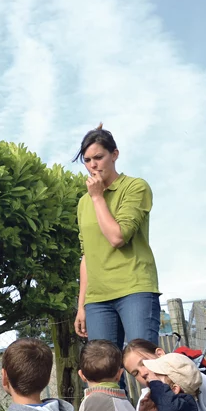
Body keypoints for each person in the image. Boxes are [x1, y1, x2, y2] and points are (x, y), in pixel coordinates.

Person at [72, 124, 160, 396]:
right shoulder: (83, 203)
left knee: (147, 367)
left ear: (115, 154)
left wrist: (98, 197)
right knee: (102, 377)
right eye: (87, 160)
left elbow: (117, 237)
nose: (92, 165)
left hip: (134, 288)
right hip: (98, 299)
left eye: (98, 157)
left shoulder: (135, 187)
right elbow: (87, 254)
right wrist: (82, 305)